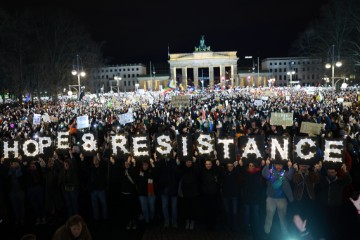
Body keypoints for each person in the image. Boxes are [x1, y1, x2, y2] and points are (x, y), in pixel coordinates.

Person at [316, 163, 352, 240]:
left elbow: (349, 181)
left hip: (335, 207)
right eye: (329, 172)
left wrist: (345, 171)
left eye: (332, 172)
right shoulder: (323, 180)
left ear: (336, 172)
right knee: (323, 224)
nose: (330, 174)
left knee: (335, 225)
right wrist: (318, 170)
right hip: (324, 206)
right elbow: (316, 179)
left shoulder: (339, 181)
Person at [262, 159, 294, 239]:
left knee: (283, 218)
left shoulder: (284, 173)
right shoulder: (271, 171)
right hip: (271, 199)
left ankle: (285, 234)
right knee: (269, 217)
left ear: (283, 165)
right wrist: (267, 165)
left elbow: (290, 176)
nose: (279, 166)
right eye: (277, 164)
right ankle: (266, 233)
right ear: (274, 165)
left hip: (282, 199)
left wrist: (291, 167)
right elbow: (264, 174)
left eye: (280, 165)